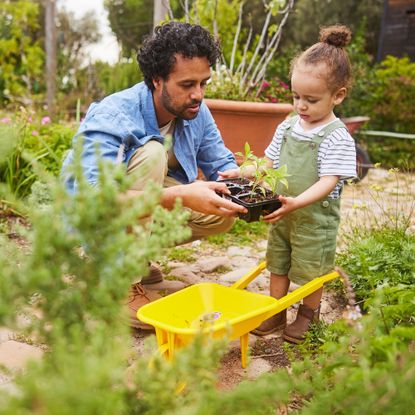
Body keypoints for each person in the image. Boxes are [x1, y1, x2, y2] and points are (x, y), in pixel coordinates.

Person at [61, 21, 247, 329]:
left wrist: (256, 183)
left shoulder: (196, 110)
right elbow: (92, 199)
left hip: (137, 204)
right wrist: (182, 194)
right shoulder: (115, 114)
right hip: (91, 217)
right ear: (156, 80)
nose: (198, 95)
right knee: (152, 153)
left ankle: (134, 257)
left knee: (221, 211)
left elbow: (223, 169)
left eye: (204, 83)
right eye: (187, 85)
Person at [219, 25, 357, 343]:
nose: (301, 106)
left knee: (311, 268)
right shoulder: (288, 125)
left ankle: (309, 314)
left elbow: (328, 181)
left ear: (338, 96)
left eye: (311, 99)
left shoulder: (336, 136)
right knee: (277, 261)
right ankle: (275, 309)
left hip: (314, 219)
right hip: (282, 210)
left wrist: (297, 202)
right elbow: (268, 163)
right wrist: (242, 172)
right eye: (296, 96)